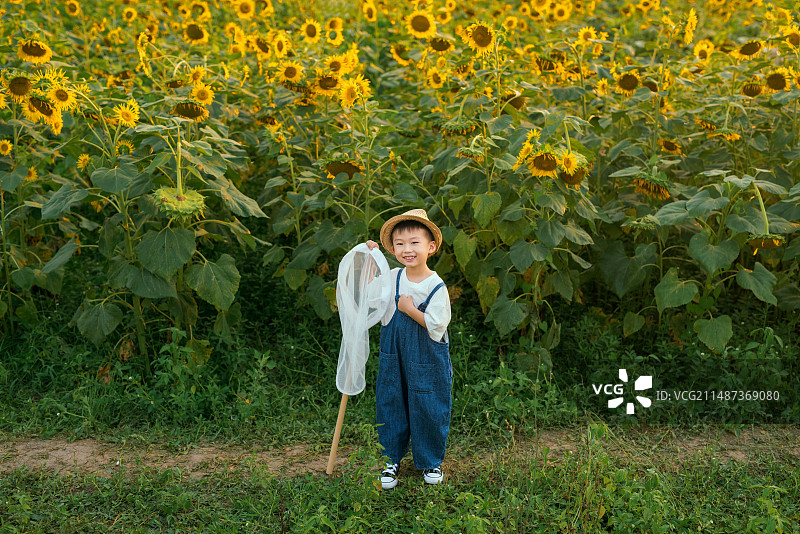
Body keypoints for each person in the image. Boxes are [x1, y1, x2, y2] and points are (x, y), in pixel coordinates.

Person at [365, 208, 452, 489]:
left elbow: (436, 326)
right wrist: (370, 259)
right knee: (392, 402)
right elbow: (370, 293)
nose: (407, 249)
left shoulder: (436, 286)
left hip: (427, 358)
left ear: (431, 246)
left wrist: (409, 309)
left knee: (429, 405)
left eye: (414, 242)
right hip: (395, 357)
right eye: (399, 244)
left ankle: (430, 461)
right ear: (392, 249)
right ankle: (391, 459)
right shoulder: (392, 278)